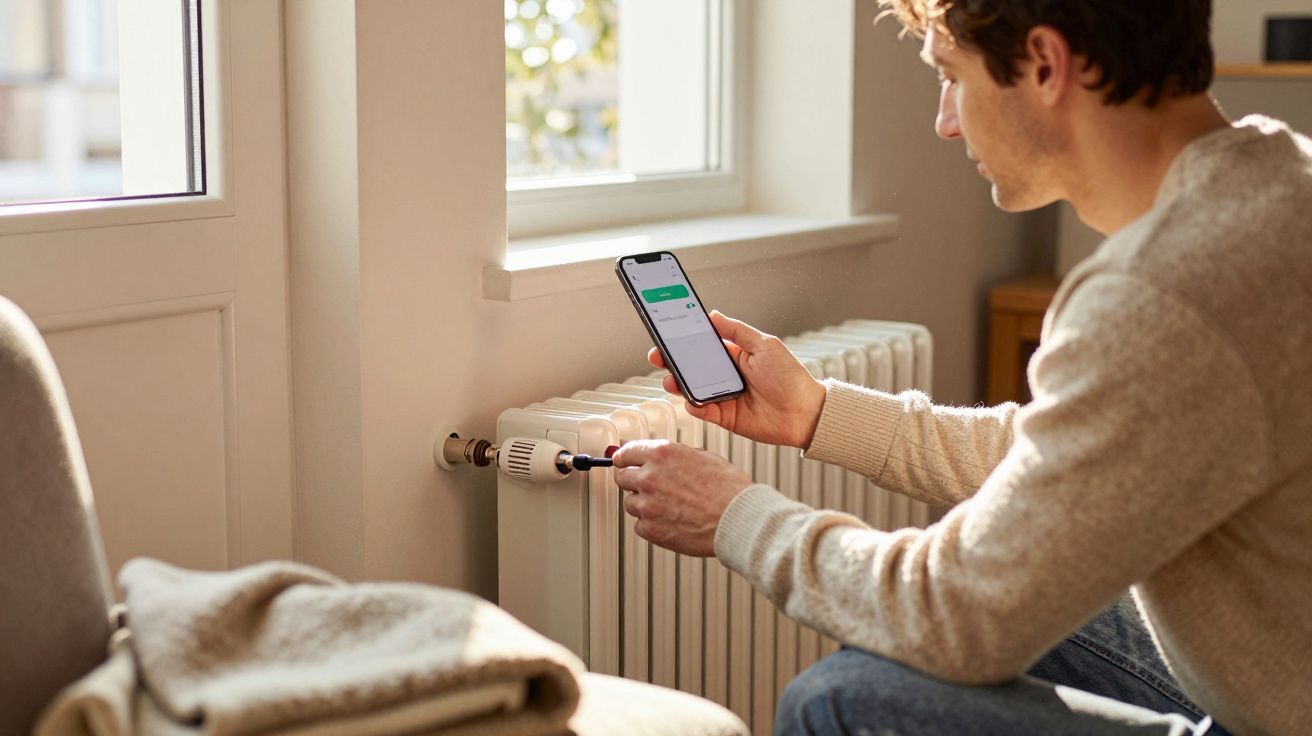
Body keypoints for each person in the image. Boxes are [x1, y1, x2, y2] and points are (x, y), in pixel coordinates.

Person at [610, 1, 1312, 734]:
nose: (947, 121)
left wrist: (734, 516)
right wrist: (819, 413)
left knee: (841, 699)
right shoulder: (1278, 183)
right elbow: (1077, 463)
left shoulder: (1165, 293)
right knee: (1039, 591)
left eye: (952, 78)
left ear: (1045, 65)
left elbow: (957, 615)